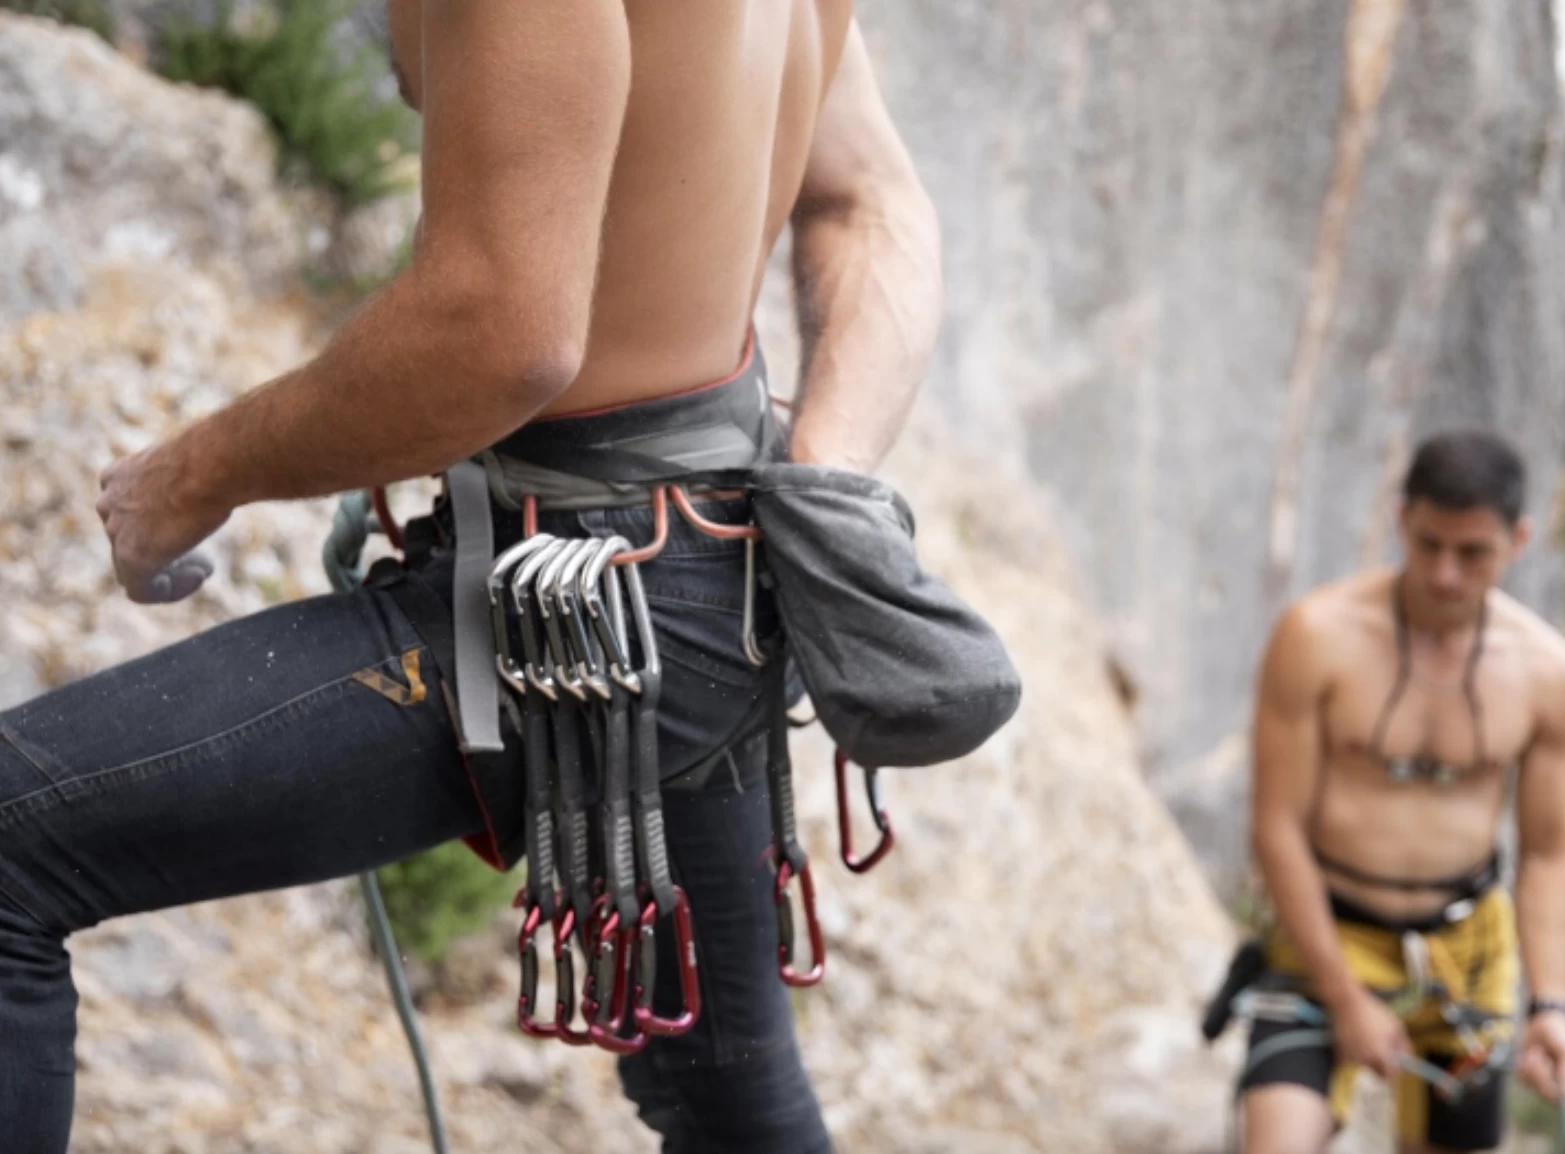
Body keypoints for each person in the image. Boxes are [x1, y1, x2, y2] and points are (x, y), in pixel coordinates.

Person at [0, 3, 942, 1151]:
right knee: (730, 1099)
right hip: (715, 575)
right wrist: (817, 485)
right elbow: (871, 199)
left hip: (583, 601)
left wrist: (192, 475)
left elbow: (502, 330)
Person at [1237, 430, 1565, 1154]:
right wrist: (1344, 996)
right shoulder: (1317, 636)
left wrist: (1552, 1003)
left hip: (1465, 955)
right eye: (1429, 545)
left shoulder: (1548, 673)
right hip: (1326, 933)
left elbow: (1548, 852)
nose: (1447, 574)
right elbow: (1276, 827)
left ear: (1518, 540)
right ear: (1402, 520)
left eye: (1473, 553)